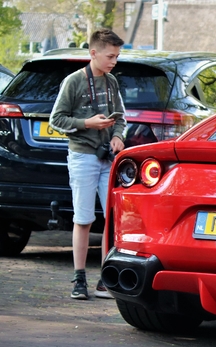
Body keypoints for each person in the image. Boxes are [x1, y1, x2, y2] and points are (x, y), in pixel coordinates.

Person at [50, 29, 126, 300]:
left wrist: (118, 136)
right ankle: (79, 278)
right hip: (82, 155)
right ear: (93, 53)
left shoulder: (112, 82)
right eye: (110, 56)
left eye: (117, 56)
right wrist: (87, 124)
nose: (114, 61)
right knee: (83, 218)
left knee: (113, 219)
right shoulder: (73, 82)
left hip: (108, 156)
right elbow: (56, 120)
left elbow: (121, 118)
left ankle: (107, 278)